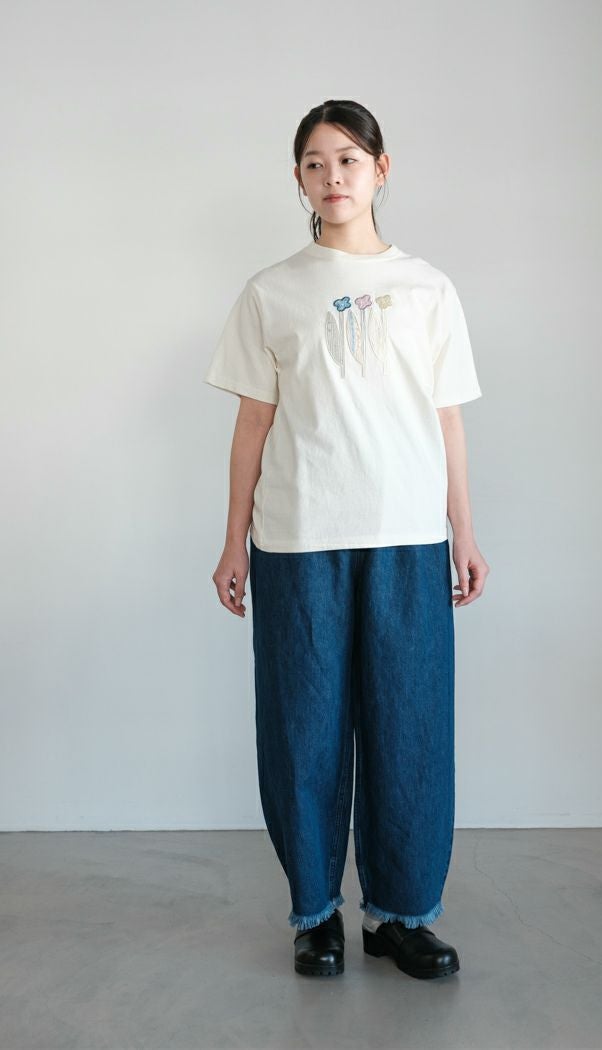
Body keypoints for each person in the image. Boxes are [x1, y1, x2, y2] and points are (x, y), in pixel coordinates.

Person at [204, 99, 489, 980]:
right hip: (299, 538)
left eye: (349, 159)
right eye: (316, 163)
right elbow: (253, 424)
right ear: (298, 179)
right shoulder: (271, 291)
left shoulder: (428, 288)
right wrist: (233, 542)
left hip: (407, 536)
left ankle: (400, 916)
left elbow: (447, 419)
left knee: (410, 723)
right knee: (305, 726)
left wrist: (464, 531)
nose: (333, 177)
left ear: (381, 169)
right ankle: (316, 914)